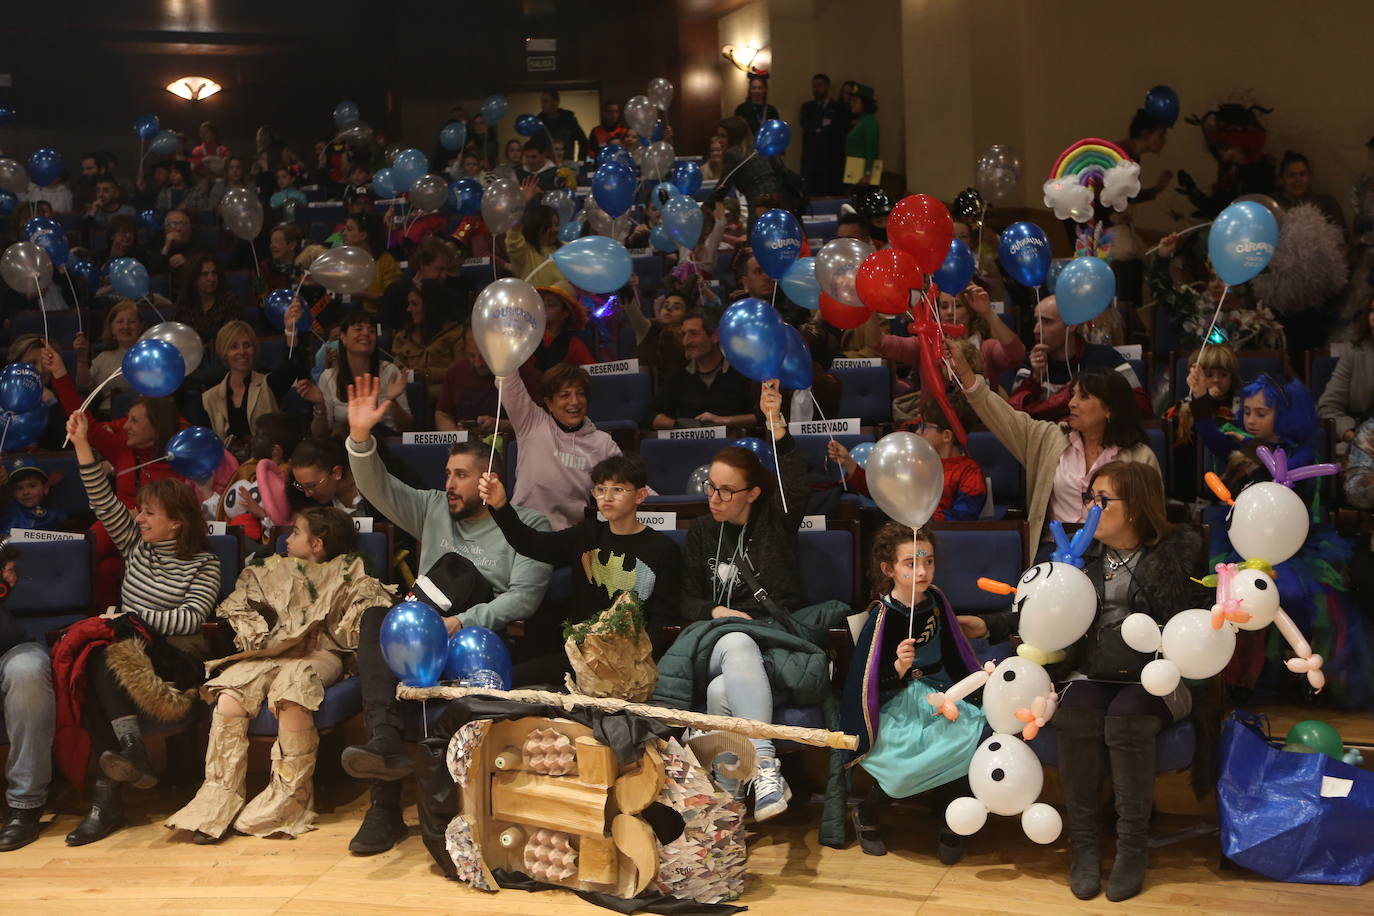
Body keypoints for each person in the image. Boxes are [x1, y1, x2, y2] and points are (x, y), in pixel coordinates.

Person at [960, 461, 1208, 902]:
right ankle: (1085, 845)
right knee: (1075, 713)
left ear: (1135, 507)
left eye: (1103, 500)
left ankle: (1132, 847)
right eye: (1089, 498)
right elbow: (1041, 613)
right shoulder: (1079, 556)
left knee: (1127, 718)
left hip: (1155, 674)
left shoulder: (1175, 556)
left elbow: (1196, 626)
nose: (1091, 508)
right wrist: (992, 624)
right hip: (1092, 669)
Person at [341, 374, 552, 855]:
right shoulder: (433, 508)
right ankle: (386, 758)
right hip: (424, 641)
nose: (448, 484)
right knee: (377, 618)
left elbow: (523, 600)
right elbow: (379, 488)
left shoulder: (528, 525)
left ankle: (388, 797)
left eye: (460, 475)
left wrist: (460, 621)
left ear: (488, 480)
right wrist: (359, 439)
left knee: (455, 572)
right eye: (447, 473)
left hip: (478, 648)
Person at [653, 381, 829, 821]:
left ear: (752, 493)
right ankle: (766, 763)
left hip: (770, 643)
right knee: (735, 641)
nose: (714, 498)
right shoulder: (701, 532)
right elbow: (686, 598)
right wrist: (713, 611)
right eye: (711, 487)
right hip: (716, 642)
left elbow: (796, 484)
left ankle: (729, 799)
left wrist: (776, 423)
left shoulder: (776, 524)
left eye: (726, 491)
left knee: (721, 691)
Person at [166, 507, 394, 844]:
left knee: (292, 691)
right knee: (230, 694)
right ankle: (219, 796)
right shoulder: (271, 569)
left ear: (317, 544)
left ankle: (288, 798)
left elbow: (364, 616)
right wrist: (255, 627)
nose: (287, 539)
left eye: (296, 533)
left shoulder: (351, 571)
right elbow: (239, 603)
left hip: (323, 653)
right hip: (274, 651)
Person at [61, 411, 220, 846]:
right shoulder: (136, 545)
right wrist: (81, 444)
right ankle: (128, 757)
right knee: (94, 657)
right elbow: (101, 500)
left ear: (177, 522)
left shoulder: (205, 562)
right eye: (140, 511)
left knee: (105, 650)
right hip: (128, 652)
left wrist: (135, 620)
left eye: (149, 513)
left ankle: (108, 800)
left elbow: (192, 618)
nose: (140, 518)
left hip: (178, 662)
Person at [840, 523, 984, 861]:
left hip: (942, 693)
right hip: (897, 703)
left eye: (928, 561)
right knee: (904, 763)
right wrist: (898, 670)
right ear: (888, 569)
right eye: (911, 563)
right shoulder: (882, 616)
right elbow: (866, 683)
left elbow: (953, 653)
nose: (922, 571)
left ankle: (953, 820)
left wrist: (973, 690)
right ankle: (868, 813)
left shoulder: (936, 601)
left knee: (970, 738)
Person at [946, 341, 1159, 563]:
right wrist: (964, 371)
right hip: (1053, 550)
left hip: (1113, 552)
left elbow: (1151, 523)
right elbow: (1000, 415)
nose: (1071, 404)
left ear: (1109, 409)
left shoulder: (1140, 457)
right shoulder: (1048, 439)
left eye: (1083, 397)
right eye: (1073, 395)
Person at [478, 454, 682, 685]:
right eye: (600, 489)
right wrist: (501, 506)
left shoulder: (663, 550)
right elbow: (533, 544)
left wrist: (634, 663)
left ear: (640, 495)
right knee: (510, 681)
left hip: (632, 662)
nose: (607, 497)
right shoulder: (587, 534)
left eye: (617, 489)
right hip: (582, 656)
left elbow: (661, 621)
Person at [499, 362, 622, 530]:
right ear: (549, 403)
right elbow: (508, 383)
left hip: (570, 536)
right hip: (522, 528)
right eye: (565, 395)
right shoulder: (531, 422)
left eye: (580, 394)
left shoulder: (603, 443)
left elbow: (626, 483)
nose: (575, 402)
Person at [832, 400, 986, 521]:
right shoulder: (915, 461)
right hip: (905, 536)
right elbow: (881, 493)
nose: (918, 432)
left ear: (946, 436)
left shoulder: (969, 472)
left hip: (942, 543)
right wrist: (849, 463)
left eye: (925, 427)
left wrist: (910, 505)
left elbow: (962, 520)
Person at [1010, 296, 1150, 421]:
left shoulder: (1105, 358)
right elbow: (1012, 415)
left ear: (1072, 325)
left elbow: (1141, 407)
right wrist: (1034, 379)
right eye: (1036, 321)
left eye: (1046, 322)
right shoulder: (1031, 361)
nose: (1036, 330)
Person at [0, 541, 55, 851]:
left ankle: (25, 806)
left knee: (28, 672)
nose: (13, 575)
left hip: (14, 649)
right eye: (8, 571)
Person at [296, 310, 413, 438]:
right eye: (358, 329)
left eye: (371, 331)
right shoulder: (328, 377)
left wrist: (392, 401)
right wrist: (320, 404)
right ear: (343, 338)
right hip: (345, 447)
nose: (366, 334)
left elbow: (407, 428)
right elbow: (320, 434)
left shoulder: (390, 371)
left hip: (385, 444)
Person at [651, 310, 757, 430]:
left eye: (693, 334)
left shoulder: (742, 371)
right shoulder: (679, 375)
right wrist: (678, 425)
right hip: (689, 444)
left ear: (715, 336)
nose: (686, 342)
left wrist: (722, 421)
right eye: (684, 334)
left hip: (733, 443)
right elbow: (653, 415)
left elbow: (762, 417)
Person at [1162, 344, 1239, 501]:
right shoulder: (1186, 406)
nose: (1216, 380)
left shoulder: (1241, 405)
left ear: (1232, 377)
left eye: (1223, 375)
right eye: (1209, 375)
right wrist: (1205, 399)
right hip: (1190, 482)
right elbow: (1173, 426)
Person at [434, 332, 540, 435]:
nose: (478, 363)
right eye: (471, 356)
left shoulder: (523, 373)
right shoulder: (457, 371)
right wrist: (456, 436)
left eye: (484, 356)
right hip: (466, 447)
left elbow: (537, 421)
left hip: (510, 447)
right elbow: (443, 414)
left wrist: (501, 425)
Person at [201, 321, 281, 455]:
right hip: (227, 467)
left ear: (254, 350)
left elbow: (290, 367)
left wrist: (291, 332)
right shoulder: (209, 398)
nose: (242, 352)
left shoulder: (268, 384)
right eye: (234, 347)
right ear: (225, 353)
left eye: (247, 345)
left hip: (264, 463)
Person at [391, 280, 466, 403]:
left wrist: (428, 374)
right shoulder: (403, 337)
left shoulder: (456, 334)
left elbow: (462, 372)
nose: (409, 309)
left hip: (446, 397)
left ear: (430, 306)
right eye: (409, 304)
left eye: (414, 304)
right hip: (410, 398)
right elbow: (394, 370)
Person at [1318, 296, 1374, 443]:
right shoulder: (1353, 353)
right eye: (1373, 310)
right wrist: (1355, 437)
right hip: (1359, 448)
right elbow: (1327, 409)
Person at [74, 299, 141, 415]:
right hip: (107, 415)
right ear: (112, 329)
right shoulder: (103, 358)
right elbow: (83, 386)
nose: (126, 326)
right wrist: (82, 359)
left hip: (144, 415)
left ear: (140, 327)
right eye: (120, 322)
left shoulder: (151, 356)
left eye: (132, 322)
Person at [174, 252, 243, 346]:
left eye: (214, 273)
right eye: (205, 274)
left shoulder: (230, 301)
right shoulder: (184, 302)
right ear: (194, 279)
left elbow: (232, 335)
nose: (212, 278)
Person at [1274, 150, 1347, 236]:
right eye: (1292, 175)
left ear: (1309, 176)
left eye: (1302, 174)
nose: (1298, 180)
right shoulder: (1272, 206)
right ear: (1282, 179)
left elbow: (1343, 237)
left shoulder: (1325, 203)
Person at [339, 213, 401, 314]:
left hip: (380, 316)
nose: (344, 233)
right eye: (344, 229)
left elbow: (392, 298)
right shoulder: (348, 260)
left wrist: (362, 294)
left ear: (363, 235)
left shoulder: (386, 261)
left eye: (349, 229)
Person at [800, 73, 849, 197]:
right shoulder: (807, 107)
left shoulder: (838, 108)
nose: (816, 89)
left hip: (832, 162)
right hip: (812, 162)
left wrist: (821, 129)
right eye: (814, 86)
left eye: (820, 85)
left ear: (827, 86)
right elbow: (807, 126)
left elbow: (839, 130)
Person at [506, 204, 569, 291]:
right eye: (549, 225)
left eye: (557, 224)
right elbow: (513, 235)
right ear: (536, 226)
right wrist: (523, 202)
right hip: (533, 302)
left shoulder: (567, 249)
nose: (555, 229)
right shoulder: (524, 252)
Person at [0, 458, 69, 536]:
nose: (25, 492)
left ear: (46, 488)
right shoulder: (7, 510)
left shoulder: (56, 513)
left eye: (32, 486)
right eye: (19, 488)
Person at [145, 209, 206, 293]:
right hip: (165, 293)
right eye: (174, 224)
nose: (178, 228)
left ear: (189, 228)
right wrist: (166, 247)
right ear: (166, 228)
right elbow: (152, 270)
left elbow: (208, 265)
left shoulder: (199, 239)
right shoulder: (157, 239)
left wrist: (189, 262)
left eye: (183, 224)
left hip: (193, 291)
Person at [533, 285, 593, 370]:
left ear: (564, 314)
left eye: (550, 305)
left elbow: (592, 372)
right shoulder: (531, 337)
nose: (543, 307)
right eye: (541, 303)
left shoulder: (574, 344)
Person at [537, 90, 589, 163]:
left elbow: (583, 141)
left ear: (555, 102)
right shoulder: (540, 122)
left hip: (566, 161)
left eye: (546, 101)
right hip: (545, 163)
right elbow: (535, 145)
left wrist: (581, 161)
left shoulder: (568, 120)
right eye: (542, 101)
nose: (542, 105)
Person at [844, 84, 880, 187]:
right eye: (851, 100)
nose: (851, 104)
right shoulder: (861, 120)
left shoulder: (869, 121)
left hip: (863, 175)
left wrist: (867, 173)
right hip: (854, 170)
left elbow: (871, 148)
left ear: (865, 103)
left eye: (855, 101)